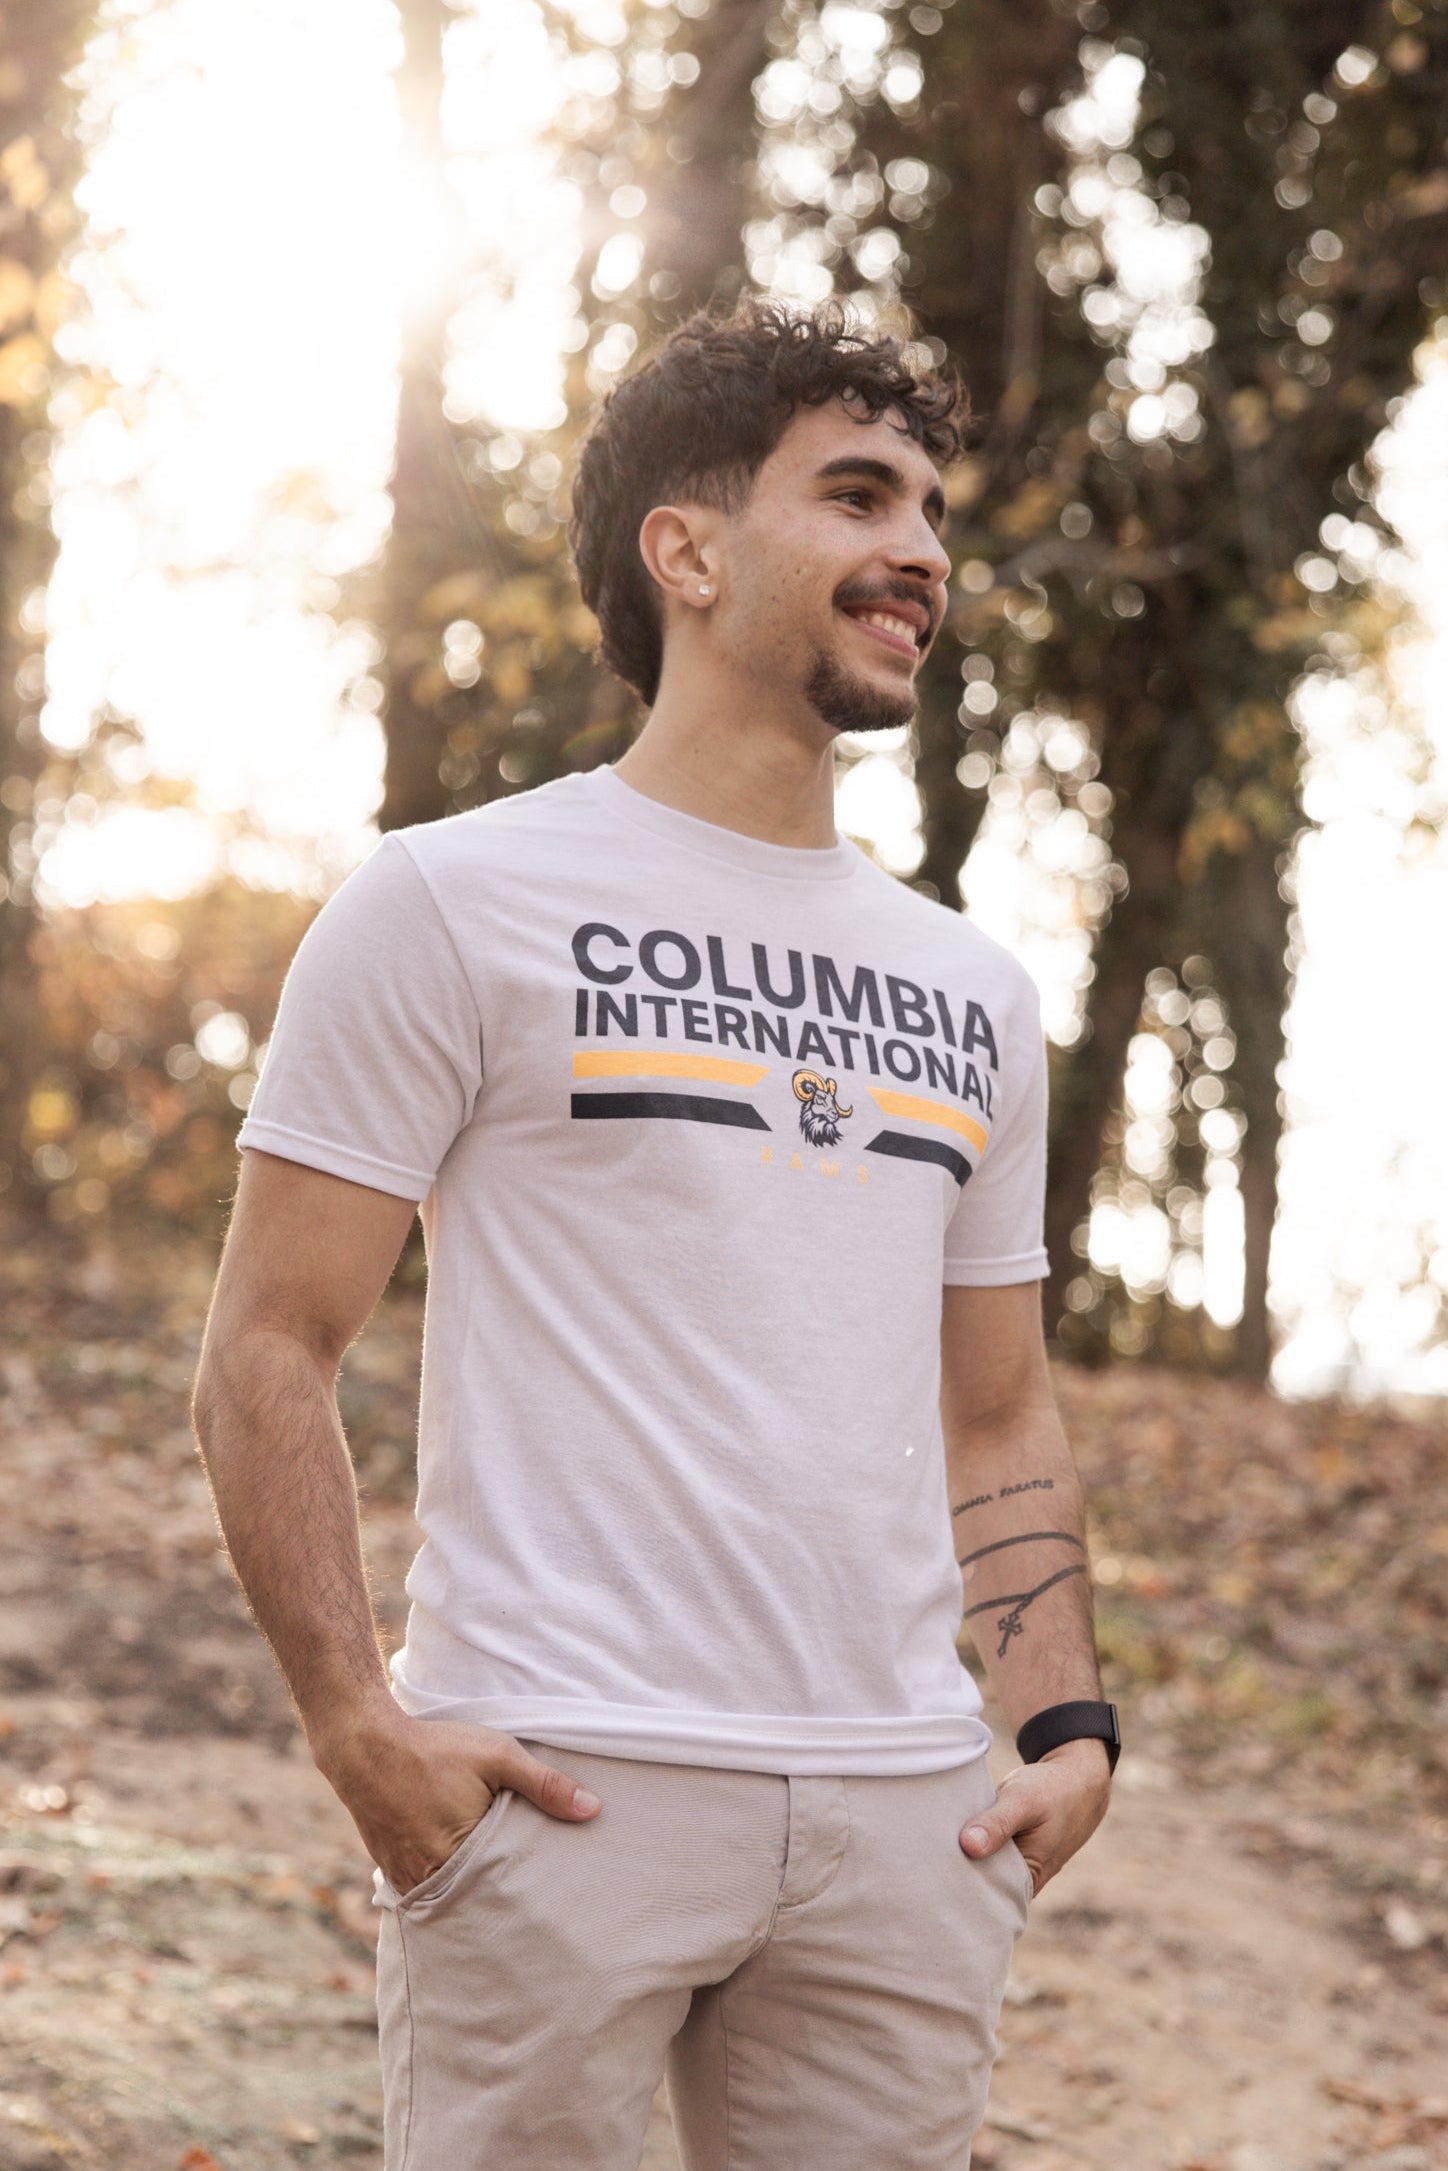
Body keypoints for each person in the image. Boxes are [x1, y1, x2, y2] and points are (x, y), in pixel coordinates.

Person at [192, 297, 1116, 2171]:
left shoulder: (977, 991)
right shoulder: (453, 906)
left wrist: (1065, 1723)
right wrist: (362, 1730)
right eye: (857, 497)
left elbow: (999, 1408)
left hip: (902, 1818)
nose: (919, 553)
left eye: (932, 512)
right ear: (684, 553)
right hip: (561, 1795)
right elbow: (268, 1347)